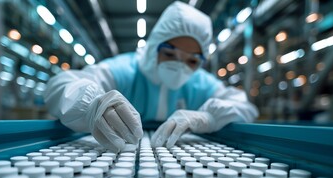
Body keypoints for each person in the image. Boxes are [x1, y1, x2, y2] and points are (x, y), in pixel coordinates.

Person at [44, 1, 258, 152]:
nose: (180, 66)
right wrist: (91, 104)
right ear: (155, 46)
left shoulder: (200, 83)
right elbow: (60, 85)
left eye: (192, 60)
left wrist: (209, 118)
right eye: (170, 53)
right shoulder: (124, 71)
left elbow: (245, 107)